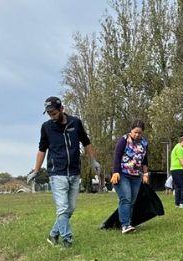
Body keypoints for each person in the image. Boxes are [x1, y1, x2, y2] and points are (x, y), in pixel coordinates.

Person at [31, 96, 100, 247]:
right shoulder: (46, 127)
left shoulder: (75, 123)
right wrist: (36, 170)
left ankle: (53, 234)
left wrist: (93, 161)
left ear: (62, 109)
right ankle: (67, 240)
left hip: (74, 172)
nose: (52, 116)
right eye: (49, 114)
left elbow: (86, 142)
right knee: (62, 208)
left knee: (70, 208)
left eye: (54, 113)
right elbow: (42, 149)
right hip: (57, 173)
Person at [110, 120, 151, 233]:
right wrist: (115, 172)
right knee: (126, 198)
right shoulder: (124, 140)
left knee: (132, 200)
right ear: (131, 130)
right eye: (135, 132)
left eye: (139, 133)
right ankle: (125, 225)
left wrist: (145, 174)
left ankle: (129, 223)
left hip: (136, 176)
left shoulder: (144, 143)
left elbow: (145, 160)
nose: (137, 135)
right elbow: (117, 156)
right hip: (122, 174)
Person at [169, 136, 183, 208]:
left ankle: (177, 203)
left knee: (177, 187)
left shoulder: (175, 148)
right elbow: (181, 159)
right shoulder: (180, 148)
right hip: (180, 169)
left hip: (174, 169)